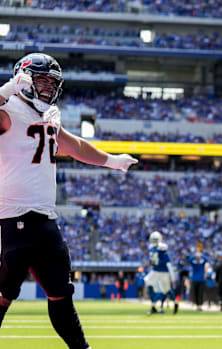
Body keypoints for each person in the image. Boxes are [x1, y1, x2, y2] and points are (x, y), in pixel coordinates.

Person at [0, 53, 137, 349]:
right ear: (22, 78)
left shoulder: (50, 114)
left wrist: (111, 161)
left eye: (52, 82)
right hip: (10, 218)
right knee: (3, 295)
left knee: (61, 293)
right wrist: (7, 89)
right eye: (42, 80)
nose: (48, 87)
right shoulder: (8, 108)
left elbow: (71, 144)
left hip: (45, 219)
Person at [145, 231, 178, 315]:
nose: (154, 241)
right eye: (153, 239)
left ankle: (175, 302)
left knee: (166, 290)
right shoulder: (151, 247)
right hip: (155, 271)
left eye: (156, 239)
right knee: (148, 283)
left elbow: (168, 262)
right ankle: (153, 306)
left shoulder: (162, 248)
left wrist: (172, 276)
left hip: (163, 272)